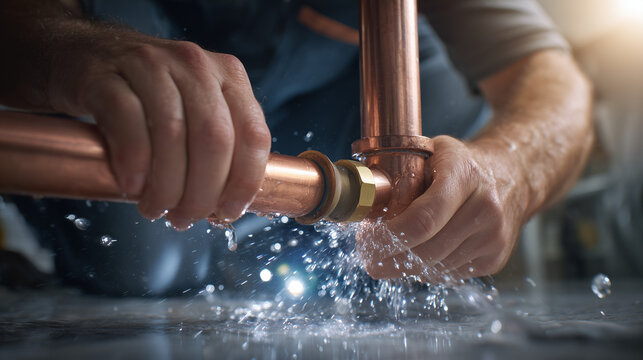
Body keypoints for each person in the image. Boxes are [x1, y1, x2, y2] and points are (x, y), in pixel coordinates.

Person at [0, 0, 592, 295]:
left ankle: (288, 253)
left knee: (450, 167)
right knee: (143, 254)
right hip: (125, 39)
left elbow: (551, 79)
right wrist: (65, 49)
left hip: (337, 81)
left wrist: (511, 170)